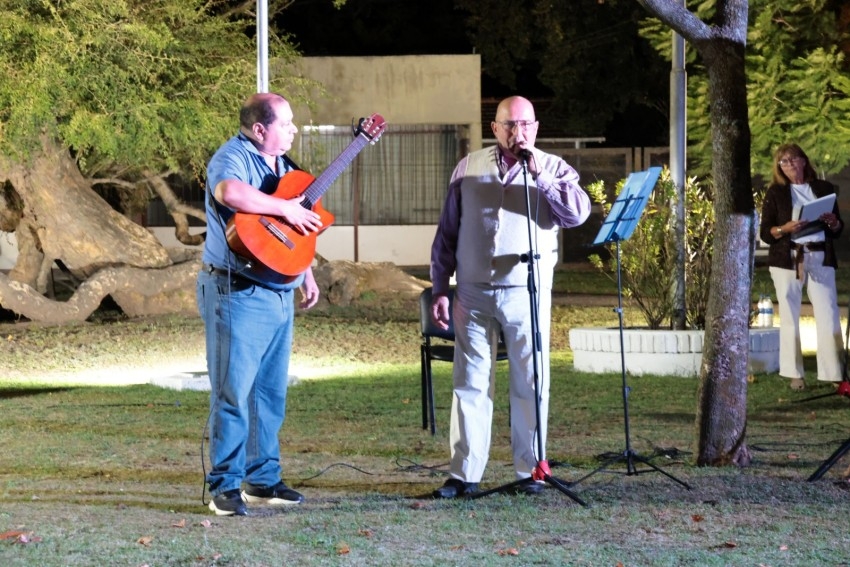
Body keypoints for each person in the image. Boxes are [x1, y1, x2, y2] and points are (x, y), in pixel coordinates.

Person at [429, 96, 591, 498]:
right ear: (495, 128)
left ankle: (530, 469)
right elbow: (447, 233)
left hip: (526, 290)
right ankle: (464, 474)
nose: (518, 132)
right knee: (470, 382)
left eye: (525, 124)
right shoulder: (468, 167)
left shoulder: (553, 167)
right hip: (473, 291)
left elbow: (577, 214)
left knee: (530, 381)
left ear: (535, 128)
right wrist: (440, 287)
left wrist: (541, 178)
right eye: (509, 125)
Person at [197, 92, 322, 516]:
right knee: (233, 392)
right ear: (259, 129)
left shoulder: (284, 166)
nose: (293, 130)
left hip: (278, 290)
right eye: (285, 124)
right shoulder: (232, 156)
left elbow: (289, 227)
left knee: (269, 393)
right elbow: (229, 191)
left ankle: (262, 480)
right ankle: (225, 486)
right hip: (235, 290)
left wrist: (305, 271)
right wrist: (284, 206)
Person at [759, 143, 844, 391]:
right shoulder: (776, 192)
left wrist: (834, 222)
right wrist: (784, 228)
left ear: (804, 161)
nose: (789, 165)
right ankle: (794, 373)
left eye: (793, 159)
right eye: (783, 162)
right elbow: (766, 233)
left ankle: (834, 372)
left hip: (820, 256)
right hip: (788, 258)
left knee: (828, 312)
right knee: (789, 315)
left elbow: (837, 230)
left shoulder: (823, 188)